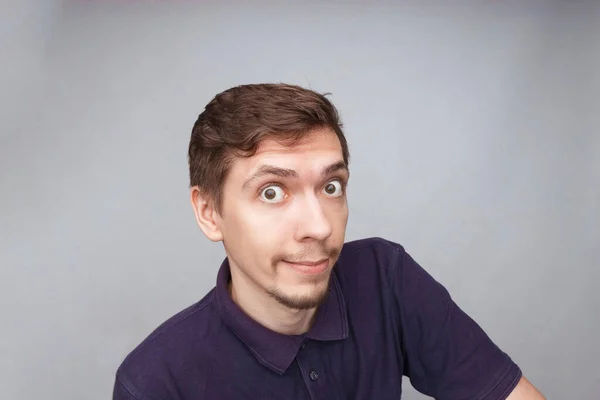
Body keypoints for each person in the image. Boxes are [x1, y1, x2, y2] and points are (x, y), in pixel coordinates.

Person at [113, 83, 545, 399]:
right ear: (210, 213)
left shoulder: (384, 278)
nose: (319, 227)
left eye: (331, 186)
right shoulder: (155, 382)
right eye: (272, 192)